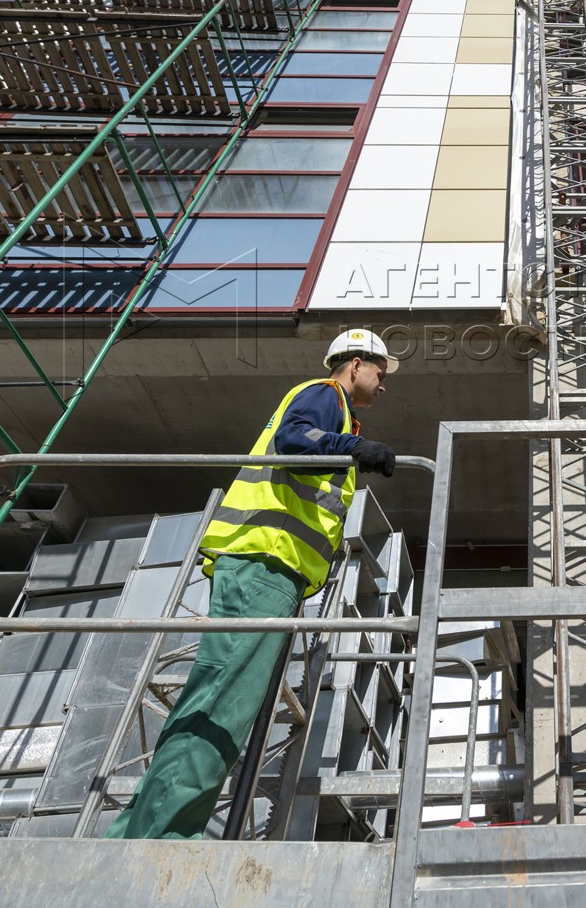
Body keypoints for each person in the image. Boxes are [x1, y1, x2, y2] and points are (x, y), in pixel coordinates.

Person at [108, 328, 400, 839]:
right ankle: (161, 839)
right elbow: (294, 443)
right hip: (264, 565)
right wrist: (357, 447)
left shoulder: (334, 408)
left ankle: (142, 831)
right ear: (355, 364)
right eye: (380, 371)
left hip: (271, 572)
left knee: (221, 700)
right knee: (226, 703)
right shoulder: (324, 396)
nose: (384, 384)